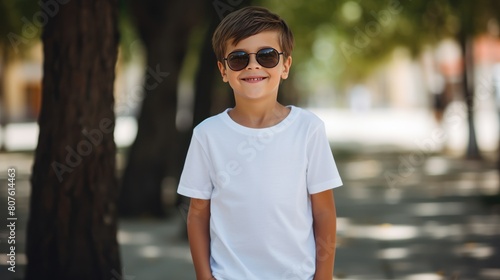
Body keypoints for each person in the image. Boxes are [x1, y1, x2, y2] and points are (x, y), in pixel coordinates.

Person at [177, 6, 343, 280]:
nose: (253, 65)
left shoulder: (308, 129)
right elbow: (197, 214)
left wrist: (323, 277)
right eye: (239, 58)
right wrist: (205, 277)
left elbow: (324, 212)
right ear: (223, 70)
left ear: (285, 66)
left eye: (266, 56)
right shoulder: (207, 135)